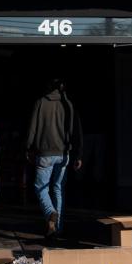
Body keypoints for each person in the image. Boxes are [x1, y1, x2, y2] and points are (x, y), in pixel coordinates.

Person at [26, 78, 82, 236]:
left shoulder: (41, 103)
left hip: (45, 153)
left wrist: (28, 147)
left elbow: (33, 128)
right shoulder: (68, 104)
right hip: (63, 154)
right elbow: (74, 131)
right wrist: (77, 153)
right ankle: (57, 227)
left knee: (40, 188)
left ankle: (50, 212)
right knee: (58, 189)